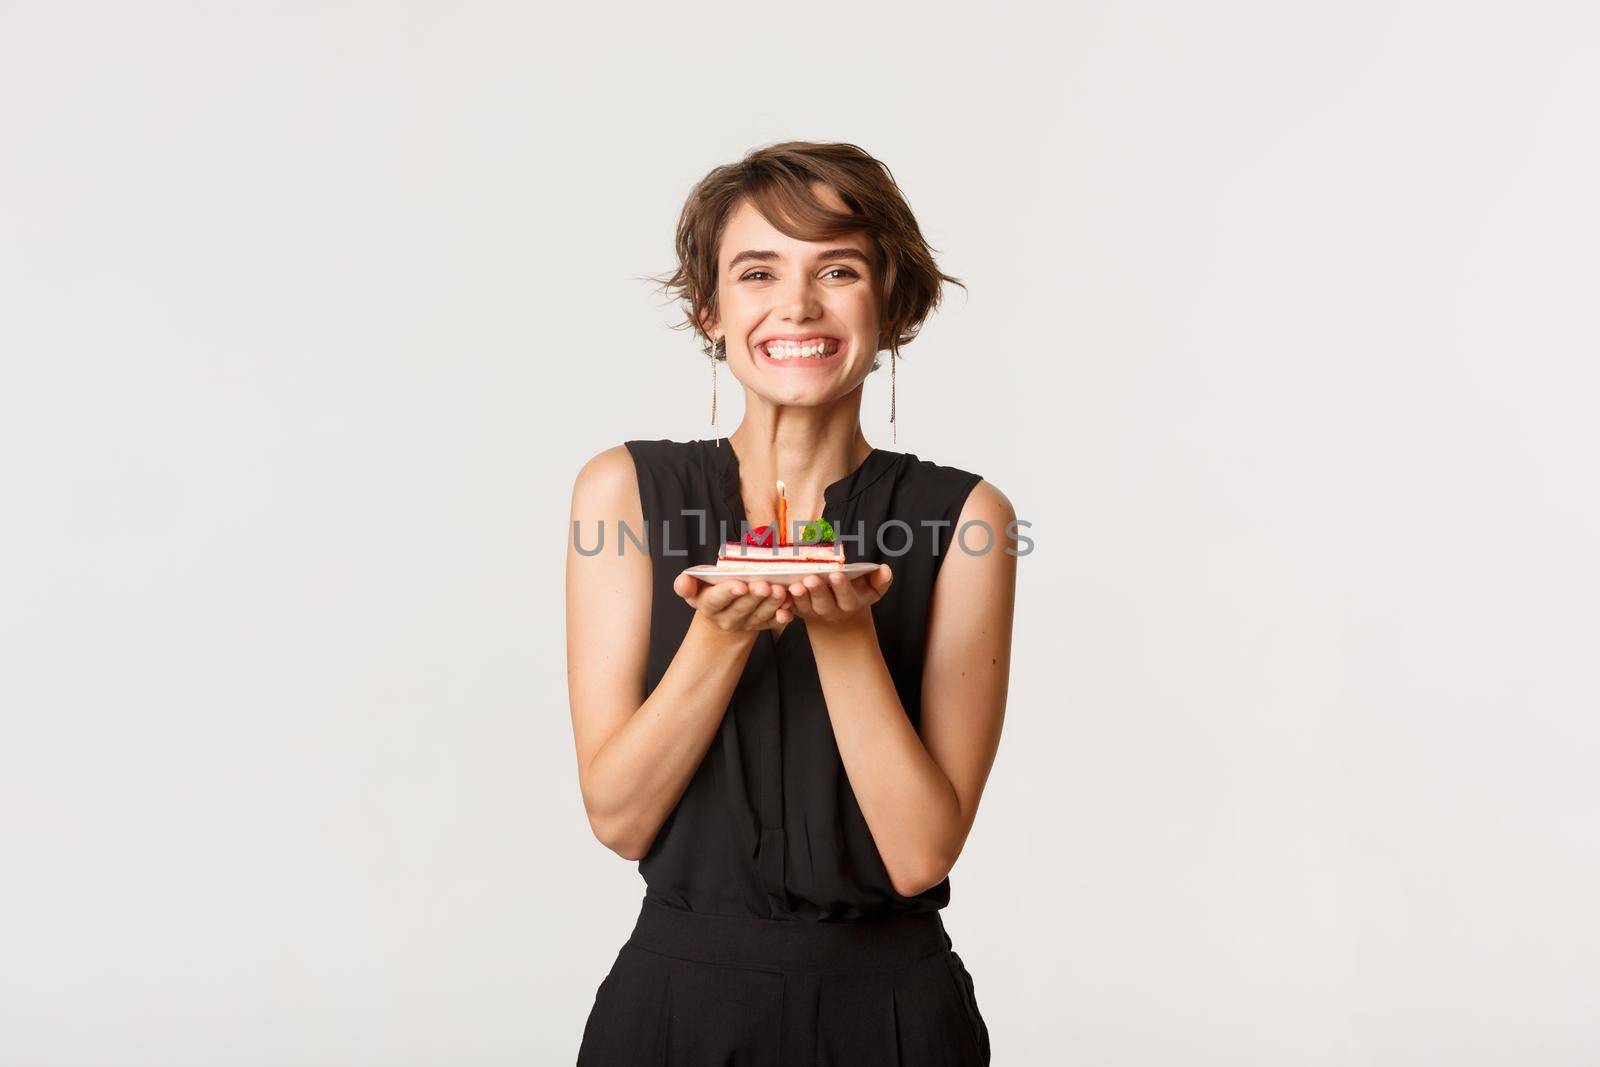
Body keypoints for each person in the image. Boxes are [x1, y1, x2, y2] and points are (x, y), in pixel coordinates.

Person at [566, 140, 1016, 1065]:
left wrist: (843, 633)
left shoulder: (968, 518)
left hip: (891, 1015)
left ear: (890, 306)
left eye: (838, 269)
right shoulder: (620, 492)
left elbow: (923, 853)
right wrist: (717, 639)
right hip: (676, 1008)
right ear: (710, 309)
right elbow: (618, 819)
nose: (797, 305)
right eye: (758, 271)